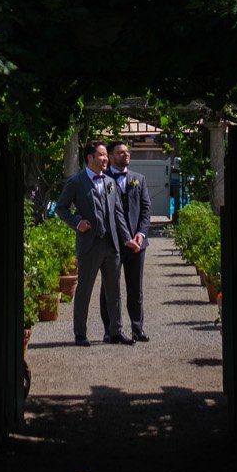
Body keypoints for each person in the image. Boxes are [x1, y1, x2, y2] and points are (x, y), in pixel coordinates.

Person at [55, 140, 131, 346]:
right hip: (90, 245)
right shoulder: (76, 182)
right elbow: (60, 208)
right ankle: (80, 334)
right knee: (84, 290)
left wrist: (127, 239)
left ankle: (116, 331)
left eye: (106, 155)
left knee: (114, 290)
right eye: (102, 155)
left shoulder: (109, 182)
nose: (106, 159)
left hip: (111, 244)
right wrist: (77, 222)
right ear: (89, 158)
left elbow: (118, 214)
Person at [110, 142, 152, 342]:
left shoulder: (139, 179)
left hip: (137, 244)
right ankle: (111, 329)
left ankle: (138, 328)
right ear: (111, 157)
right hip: (114, 243)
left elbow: (146, 209)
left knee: (136, 287)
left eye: (127, 151)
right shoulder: (104, 179)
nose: (126, 154)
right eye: (120, 152)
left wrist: (141, 235)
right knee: (110, 288)